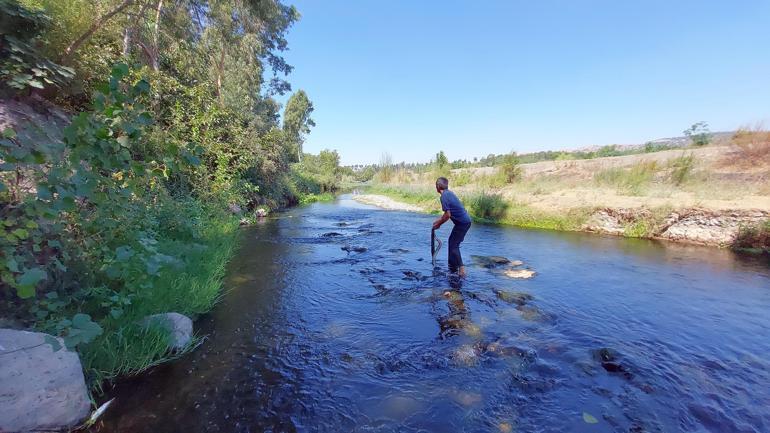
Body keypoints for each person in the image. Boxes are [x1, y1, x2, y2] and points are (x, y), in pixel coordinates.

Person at [432, 177, 471, 277]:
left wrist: (439, 224)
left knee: (454, 245)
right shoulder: (449, 193)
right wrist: (439, 221)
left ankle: (462, 269)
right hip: (463, 222)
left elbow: (448, 215)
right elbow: (447, 213)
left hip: (462, 223)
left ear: (437, 187)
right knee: (451, 242)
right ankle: (452, 267)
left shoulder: (444, 196)